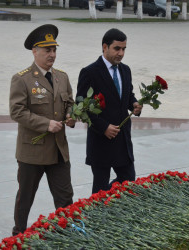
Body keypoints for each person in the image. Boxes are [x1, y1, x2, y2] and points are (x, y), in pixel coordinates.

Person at [9, 24, 75, 236]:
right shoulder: (22, 79)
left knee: (65, 197)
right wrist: (45, 124)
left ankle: (67, 234)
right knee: (25, 197)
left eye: (54, 50)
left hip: (58, 150)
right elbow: (17, 111)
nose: (52, 54)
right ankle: (18, 235)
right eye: (47, 50)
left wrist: (71, 115)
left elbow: (70, 103)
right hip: (32, 151)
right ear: (34, 51)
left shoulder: (62, 77)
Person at [76, 28, 143, 194]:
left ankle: (114, 204)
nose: (121, 53)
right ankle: (97, 216)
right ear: (105, 47)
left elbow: (128, 95)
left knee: (128, 184)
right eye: (117, 48)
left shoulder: (125, 70)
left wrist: (134, 104)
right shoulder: (90, 72)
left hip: (123, 141)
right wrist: (104, 127)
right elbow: (81, 108)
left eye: (124, 49)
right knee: (99, 191)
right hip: (101, 143)